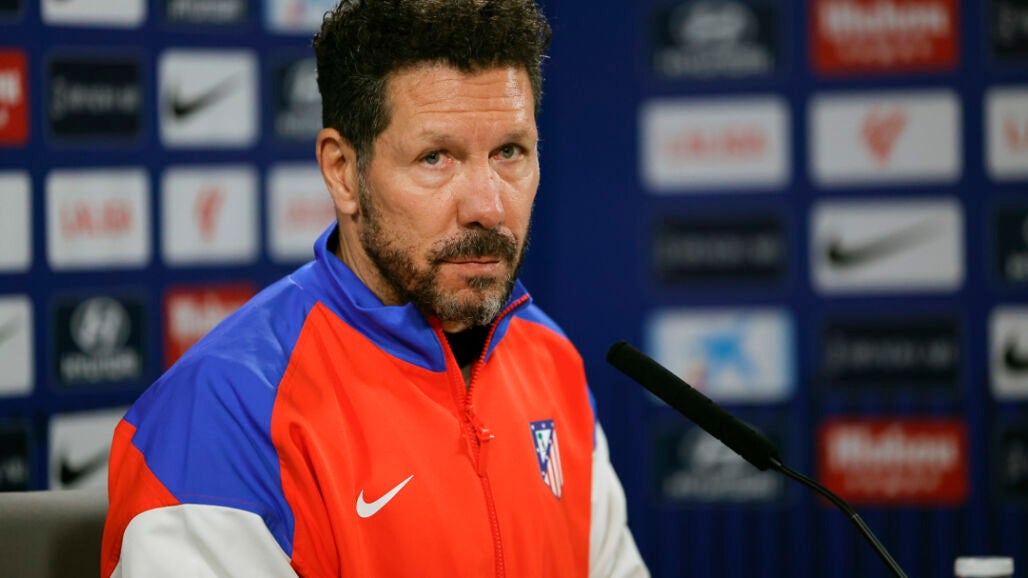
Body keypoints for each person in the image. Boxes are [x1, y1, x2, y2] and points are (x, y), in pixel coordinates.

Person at [101, 0, 649, 576]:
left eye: (510, 152)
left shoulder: (550, 360)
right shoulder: (224, 413)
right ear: (343, 172)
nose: (488, 207)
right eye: (436, 158)